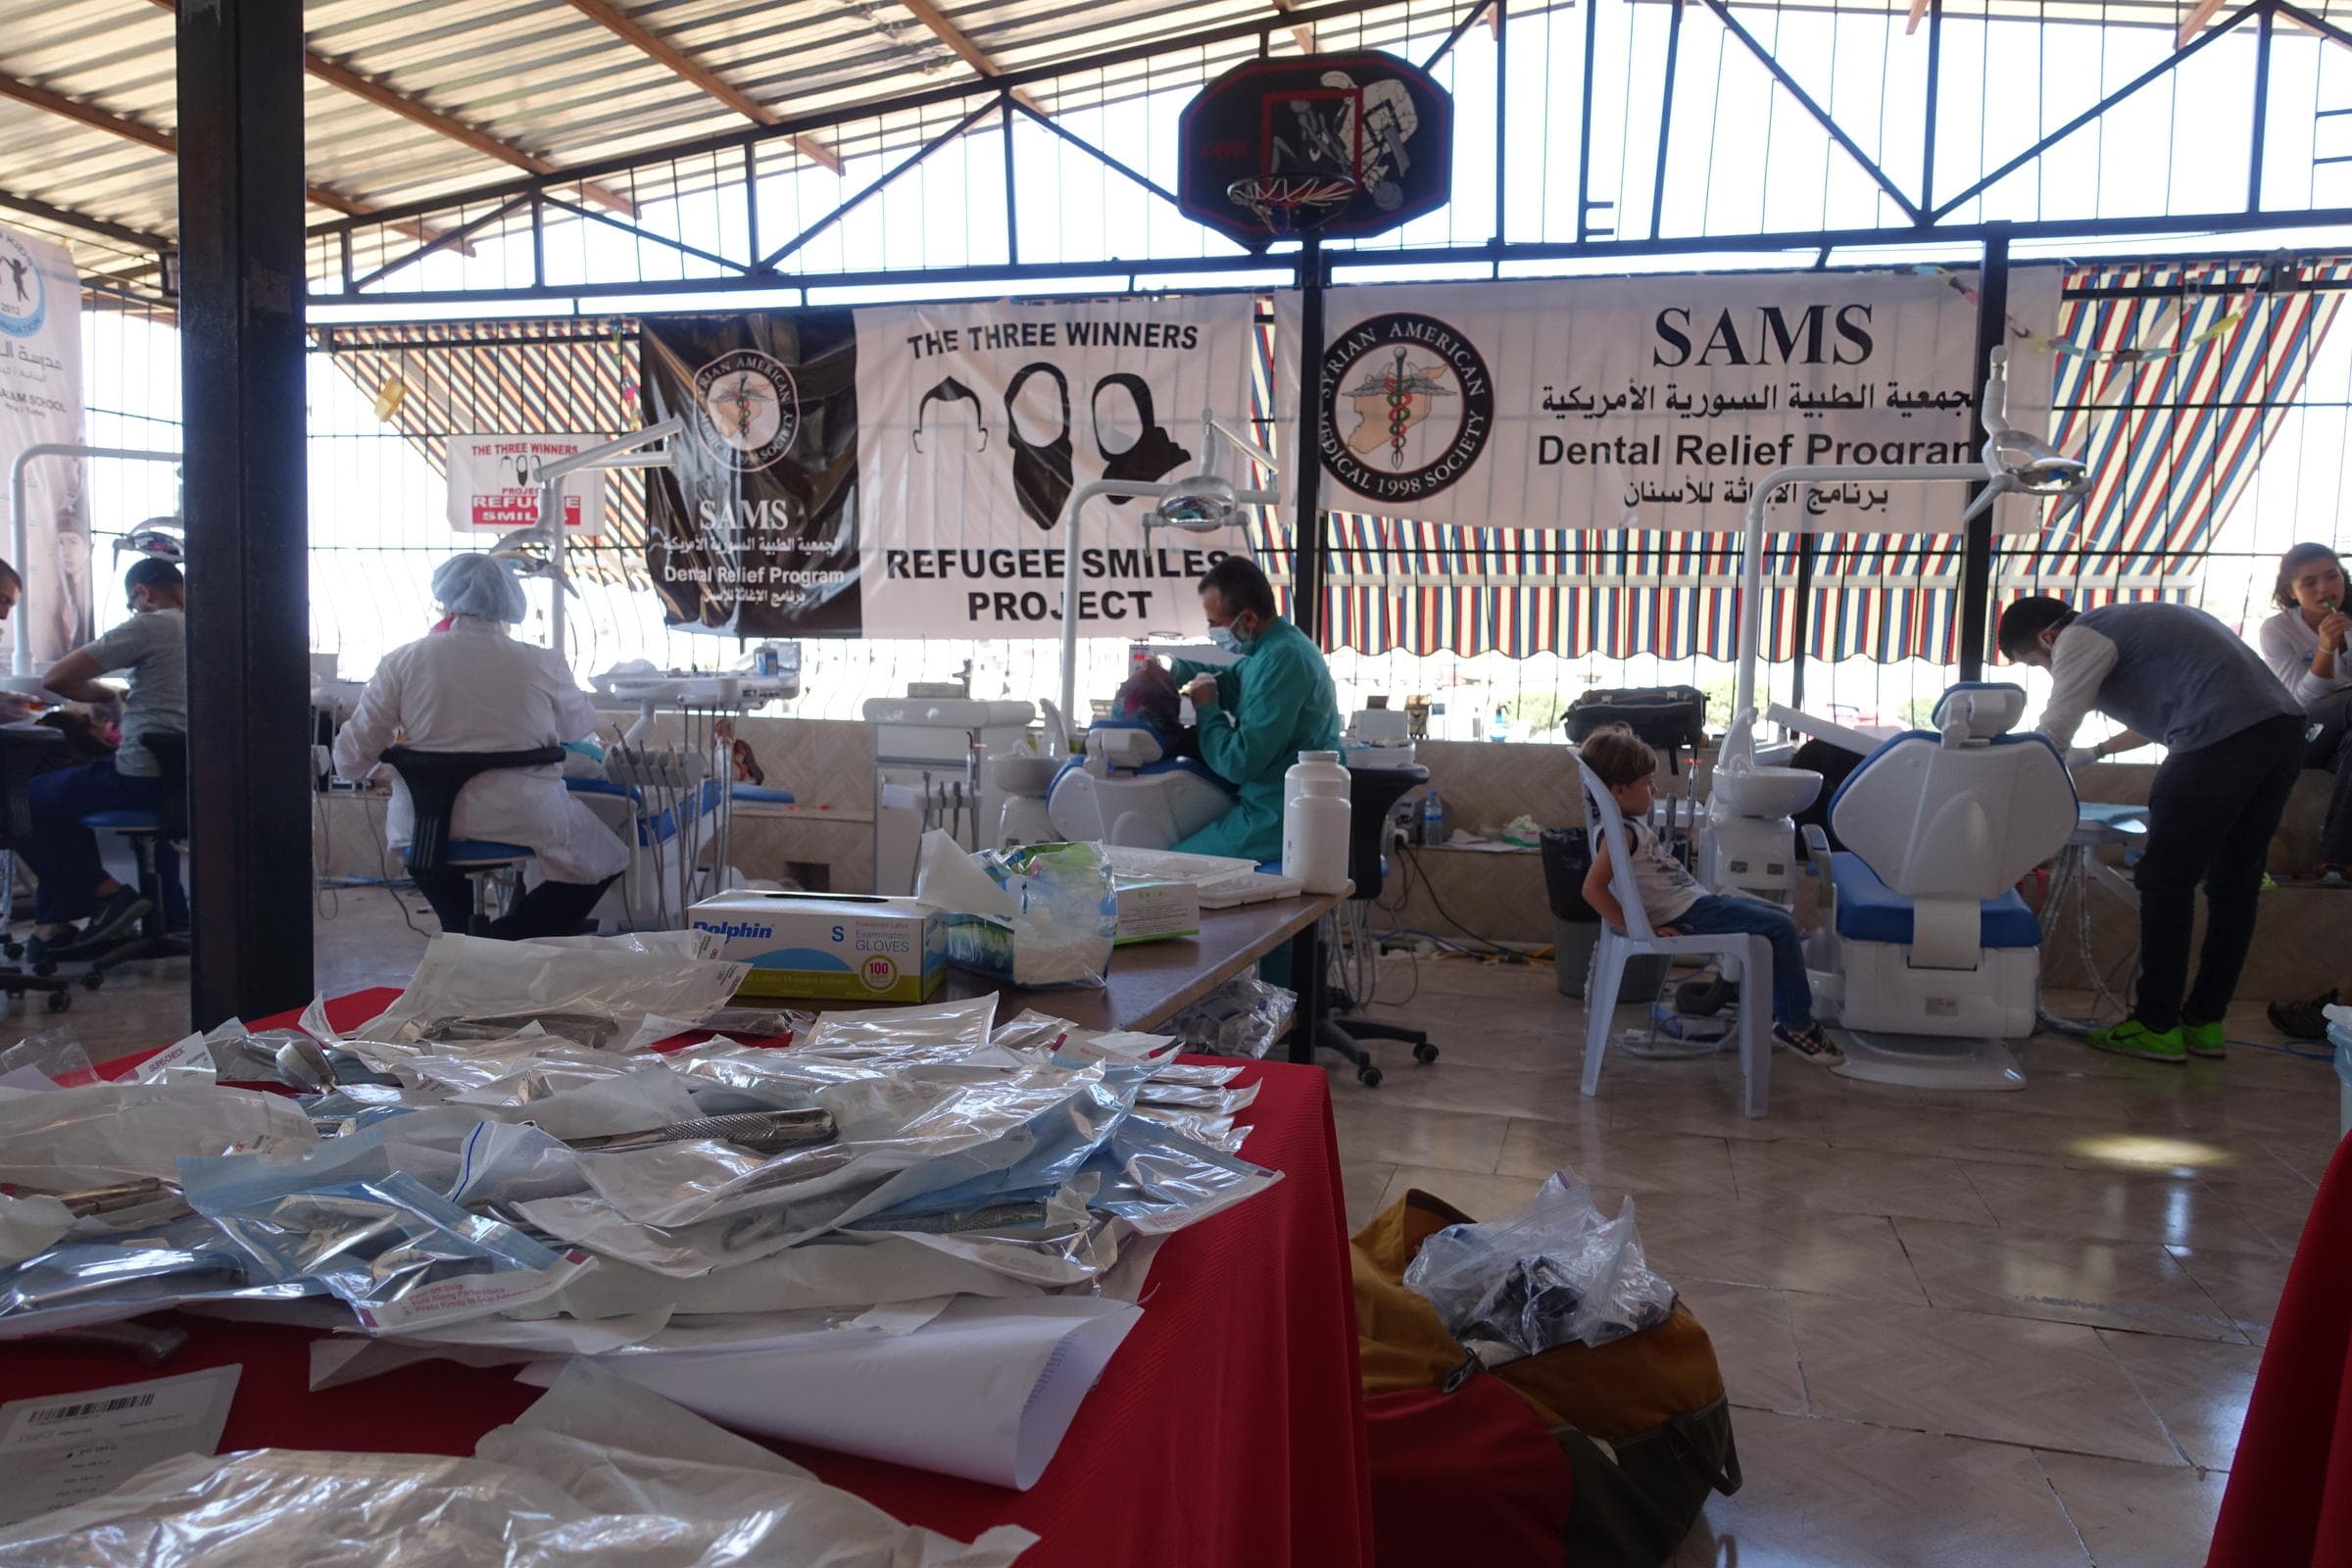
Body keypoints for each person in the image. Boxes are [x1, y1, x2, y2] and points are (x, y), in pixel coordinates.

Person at [1997, 596, 2306, 1062]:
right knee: (2234, 884)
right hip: (2280, 733)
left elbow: (2057, 725)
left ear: (2047, 638)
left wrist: (2006, 786)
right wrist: (2096, 753)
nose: (2048, 670)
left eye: (2035, 663)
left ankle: (2156, 1023)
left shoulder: (2080, 637)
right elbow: (2168, 706)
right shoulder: (2135, 624)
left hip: (2218, 737)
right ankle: (2204, 1023)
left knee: (2164, 880)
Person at [333, 554, 627, 940]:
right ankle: (502, 942)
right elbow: (579, 726)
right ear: (510, 602)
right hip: (524, 819)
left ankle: (463, 940)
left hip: (424, 829)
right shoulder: (541, 662)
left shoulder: (402, 661)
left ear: (444, 600)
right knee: (610, 857)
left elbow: (350, 762)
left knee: (432, 867)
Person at [1576, 722, 1844, 1067]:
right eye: (1646, 783)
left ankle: (1788, 1016)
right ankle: (1796, 1024)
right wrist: (1635, 928)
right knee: (1780, 928)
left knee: (1780, 921)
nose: (1654, 788)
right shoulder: (1621, 834)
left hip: (1694, 906)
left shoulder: (1628, 825)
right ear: (1618, 791)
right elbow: (1592, 889)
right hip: (1688, 913)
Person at [16, 559, 188, 959]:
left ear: (143, 593)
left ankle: (108, 897)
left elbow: (56, 679)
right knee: (63, 803)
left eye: (133, 602)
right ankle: (168, 916)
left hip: (140, 777)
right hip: (191, 781)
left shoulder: (153, 624)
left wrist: (105, 697)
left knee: (24, 799)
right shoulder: (212, 630)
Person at [1165, 555, 1342, 862]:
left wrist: (1207, 709)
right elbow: (1228, 682)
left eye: (1214, 623)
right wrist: (1171, 669)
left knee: (1170, 868)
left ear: (1247, 619)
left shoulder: (1284, 659)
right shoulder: (1271, 650)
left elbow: (1239, 761)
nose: (1211, 631)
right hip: (1269, 806)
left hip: (1276, 819)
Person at [2256, 542, 2352, 884]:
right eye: (2310, 582)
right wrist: (2326, 646)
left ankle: (2336, 864)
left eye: (2331, 576)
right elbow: (2300, 701)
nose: (2325, 588)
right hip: (2305, 734)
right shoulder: (2277, 630)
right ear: (2292, 592)